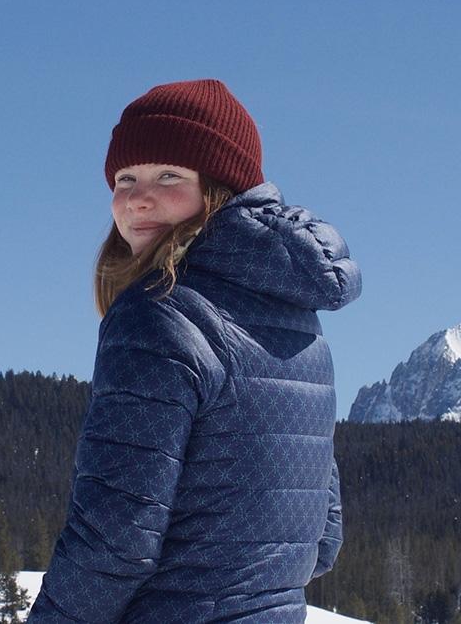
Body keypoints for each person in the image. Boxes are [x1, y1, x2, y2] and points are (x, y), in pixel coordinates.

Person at [28, 79, 361, 622]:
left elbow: (114, 538)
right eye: (124, 178)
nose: (137, 196)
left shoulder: (158, 314)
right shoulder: (299, 320)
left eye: (168, 176)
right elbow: (322, 539)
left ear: (219, 187)